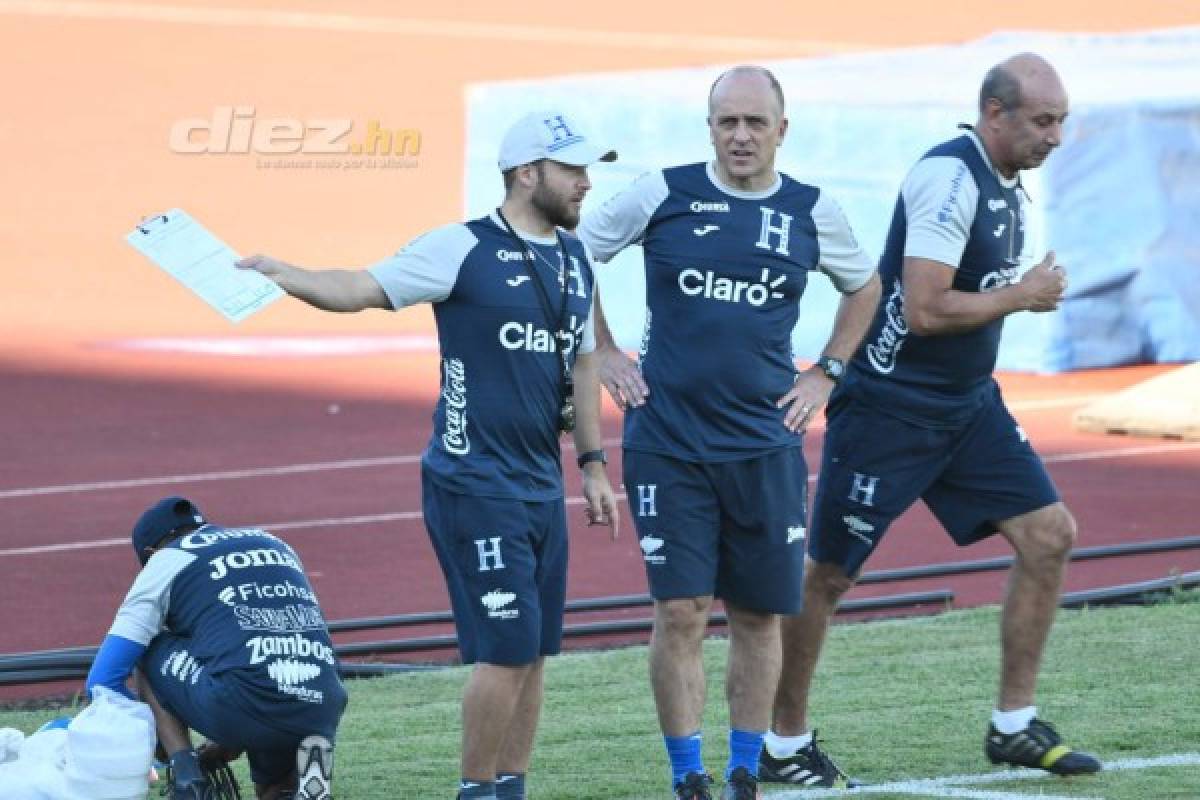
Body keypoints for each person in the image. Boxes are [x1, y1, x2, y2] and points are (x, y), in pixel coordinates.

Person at [237, 110, 620, 800]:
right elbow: (357, 288)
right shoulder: (459, 247)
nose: (586, 183)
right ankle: (475, 791)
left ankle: (510, 788)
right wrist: (281, 272)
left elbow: (584, 365)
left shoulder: (574, 259)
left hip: (539, 486)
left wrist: (592, 464)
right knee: (504, 652)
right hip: (472, 484)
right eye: (572, 170)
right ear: (527, 174)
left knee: (533, 657)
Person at [760, 53, 1102, 788]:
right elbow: (924, 307)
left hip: (968, 406)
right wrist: (1024, 296)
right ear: (995, 114)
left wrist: (1016, 293)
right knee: (824, 579)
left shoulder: (1011, 182)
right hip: (889, 410)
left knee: (1051, 535)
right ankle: (782, 744)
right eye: (1043, 121)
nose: (1056, 136)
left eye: (1062, 120)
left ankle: (1013, 727)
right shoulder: (949, 178)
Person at [577, 66, 881, 800]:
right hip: (669, 442)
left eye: (754, 122)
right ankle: (689, 778)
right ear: (709, 127)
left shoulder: (814, 211)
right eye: (726, 122)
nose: (740, 135)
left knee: (756, 614)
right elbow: (572, 254)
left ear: (783, 129)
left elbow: (866, 286)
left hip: (765, 445)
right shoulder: (664, 192)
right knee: (679, 611)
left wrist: (827, 372)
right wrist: (606, 351)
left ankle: (746, 772)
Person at [86, 495, 346, 800]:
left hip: (242, 704)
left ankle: (188, 780)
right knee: (278, 788)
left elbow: (102, 682)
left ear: (150, 552)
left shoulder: (165, 561)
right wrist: (227, 743)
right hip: (323, 710)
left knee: (148, 647)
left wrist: (155, 742)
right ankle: (312, 788)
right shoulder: (274, 543)